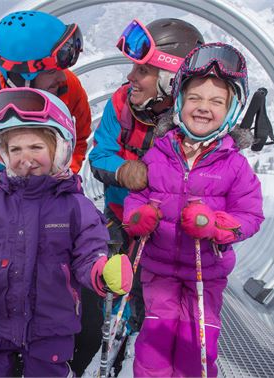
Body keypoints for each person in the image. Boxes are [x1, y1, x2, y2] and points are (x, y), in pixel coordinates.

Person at [0, 87, 133, 377]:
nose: (25, 158)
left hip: (52, 326)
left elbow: (89, 252)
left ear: (58, 150)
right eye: (15, 149)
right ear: (4, 155)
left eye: (36, 147)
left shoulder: (74, 206)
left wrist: (101, 271)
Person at [122, 42, 265, 377]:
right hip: (159, 273)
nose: (204, 107)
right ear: (181, 102)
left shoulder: (234, 166)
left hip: (206, 274)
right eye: (196, 98)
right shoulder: (158, 153)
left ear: (231, 110)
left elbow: (251, 216)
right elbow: (138, 198)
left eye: (217, 101)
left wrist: (216, 224)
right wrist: (137, 217)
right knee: (154, 345)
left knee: (196, 346)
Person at [87, 18, 204, 363]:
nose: (131, 77)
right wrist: (124, 171)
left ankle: (142, 347)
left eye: (143, 70)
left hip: (167, 232)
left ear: (170, 79)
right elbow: (100, 153)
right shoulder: (121, 105)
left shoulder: (193, 121)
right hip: (121, 218)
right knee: (116, 282)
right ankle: (113, 337)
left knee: (152, 296)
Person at [0, 10, 90, 239]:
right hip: (4, 184)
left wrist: (63, 174)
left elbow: (81, 136)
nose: (62, 78)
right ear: (22, 76)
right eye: (52, 71)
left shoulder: (67, 87)